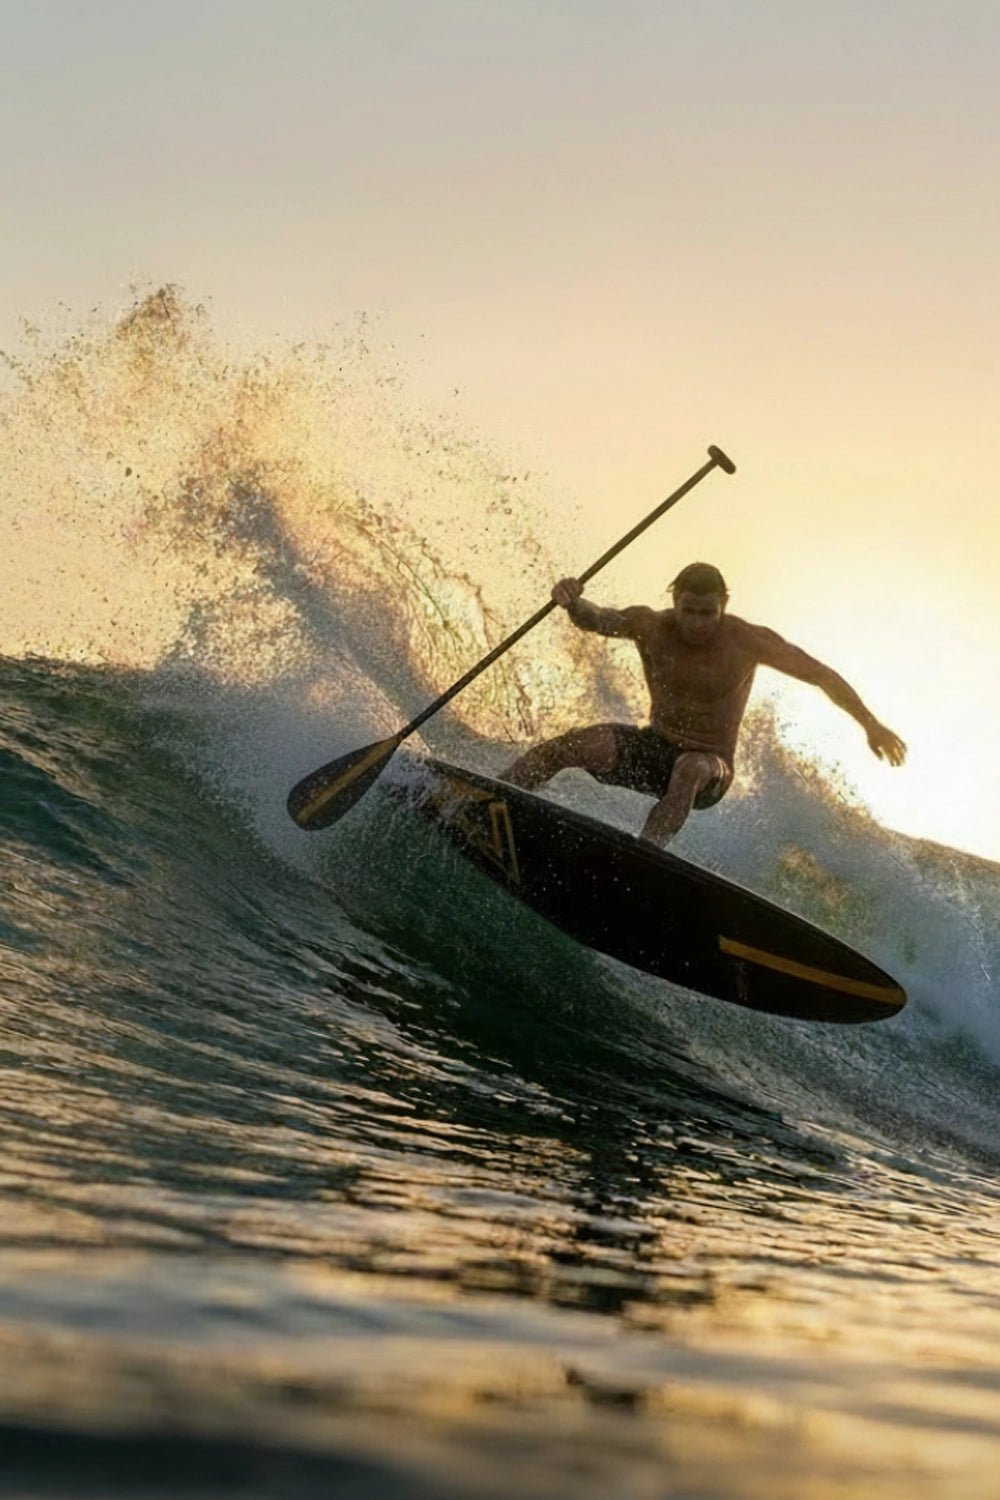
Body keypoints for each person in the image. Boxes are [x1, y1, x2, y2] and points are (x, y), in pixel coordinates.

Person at [502, 561, 906, 847]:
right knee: (573, 745)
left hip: (710, 769)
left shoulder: (746, 641)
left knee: (689, 767)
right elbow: (597, 619)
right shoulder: (651, 626)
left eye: (708, 613)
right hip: (654, 747)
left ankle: (645, 857)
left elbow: (819, 674)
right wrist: (573, 601)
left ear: (723, 605)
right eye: (689, 611)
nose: (697, 623)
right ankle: (489, 797)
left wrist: (870, 723)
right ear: (675, 601)